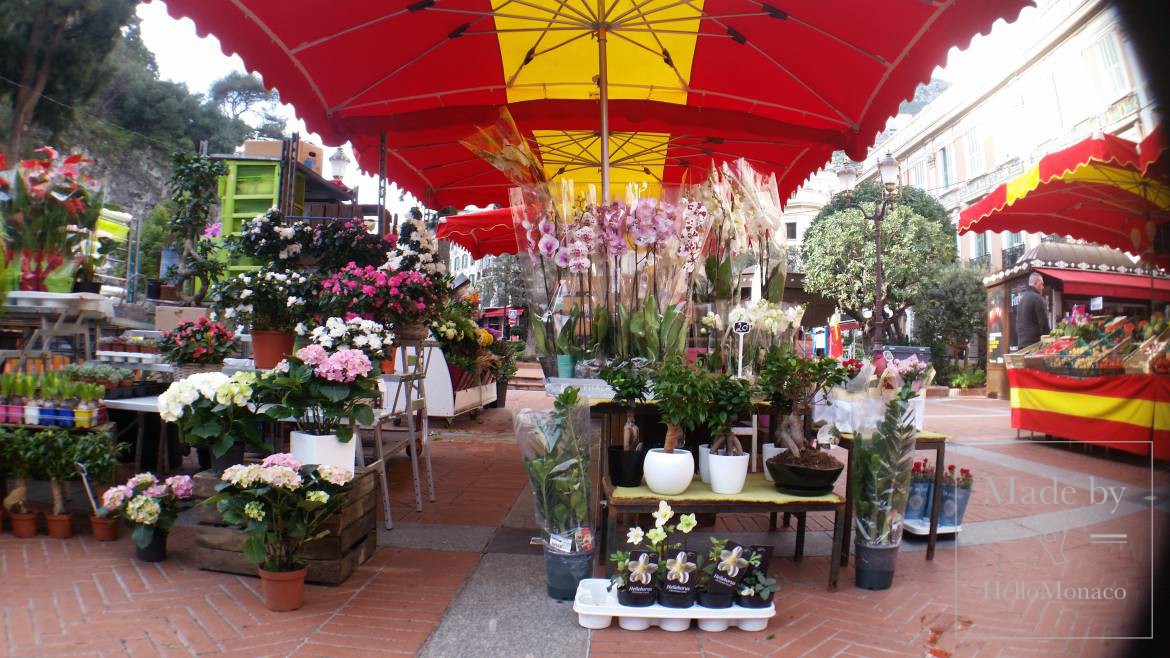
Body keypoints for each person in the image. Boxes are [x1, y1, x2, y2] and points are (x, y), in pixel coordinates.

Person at [1015, 272, 1051, 346]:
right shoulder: (1038, 299)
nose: (1043, 287)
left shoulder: (1021, 300)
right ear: (1035, 283)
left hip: (1021, 345)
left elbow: (1018, 325)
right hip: (1034, 345)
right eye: (1041, 284)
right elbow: (1044, 325)